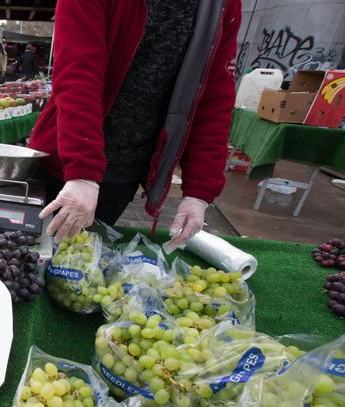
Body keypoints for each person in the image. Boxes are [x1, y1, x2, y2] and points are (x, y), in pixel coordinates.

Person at [30, 0, 241, 250]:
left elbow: (213, 96)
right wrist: (83, 172)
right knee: (26, 253)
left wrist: (199, 192)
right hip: (63, 162)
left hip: (124, 171)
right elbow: (78, 75)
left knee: (77, 265)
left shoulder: (222, 5)